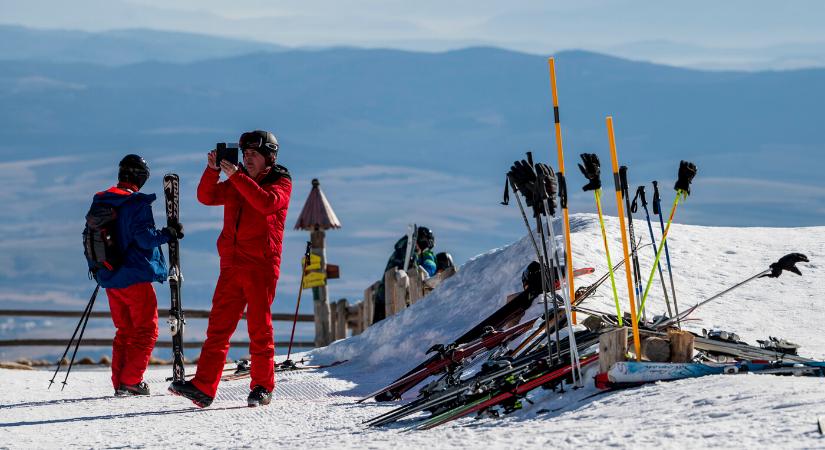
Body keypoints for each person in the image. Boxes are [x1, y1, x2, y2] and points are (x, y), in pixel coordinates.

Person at [168, 130, 292, 408]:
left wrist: (236, 176)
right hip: (232, 264)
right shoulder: (239, 181)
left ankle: (262, 386)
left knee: (260, 328)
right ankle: (203, 387)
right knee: (218, 327)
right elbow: (207, 196)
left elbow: (266, 204)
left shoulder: (280, 180)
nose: (247, 159)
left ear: (269, 157)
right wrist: (212, 171)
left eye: (253, 155)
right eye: (245, 154)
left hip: (260, 264)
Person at [86, 154, 183, 396]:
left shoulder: (101, 201)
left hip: (109, 277)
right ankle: (131, 381)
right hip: (134, 277)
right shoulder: (135, 203)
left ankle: (120, 382)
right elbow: (144, 238)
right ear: (141, 177)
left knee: (125, 331)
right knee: (146, 330)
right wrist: (169, 233)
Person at [373, 226, 437, 322]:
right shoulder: (408, 251)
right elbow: (413, 274)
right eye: (427, 246)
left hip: (384, 296)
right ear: (424, 241)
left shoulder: (404, 249)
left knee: (378, 330)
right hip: (388, 297)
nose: (423, 251)